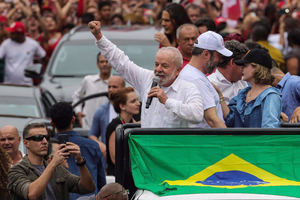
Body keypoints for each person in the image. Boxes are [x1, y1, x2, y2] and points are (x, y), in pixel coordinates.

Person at [89, 20, 204, 128]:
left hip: (172, 147)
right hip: (147, 147)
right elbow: (122, 62)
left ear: (178, 70)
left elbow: (197, 115)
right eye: (156, 64)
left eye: (164, 66)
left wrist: (167, 101)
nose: (158, 69)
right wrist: (99, 37)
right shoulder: (148, 78)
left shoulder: (188, 88)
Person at [8, 122, 95, 200]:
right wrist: (53, 163)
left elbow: (88, 188)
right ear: (26, 143)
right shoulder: (16, 170)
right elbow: (31, 194)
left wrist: (80, 161)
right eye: (39, 138)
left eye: (46, 137)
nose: (45, 141)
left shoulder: (57, 170)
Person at [50, 102, 106, 200]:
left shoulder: (46, 148)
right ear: (73, 119)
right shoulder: (92, 146)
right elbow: (101, 182)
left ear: (52, 123)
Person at [179, 31, 232, 128]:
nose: (220, 60)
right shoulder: (195, 78)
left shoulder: (193, 74)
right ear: (206, 54)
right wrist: (229, 141)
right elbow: (212, 120)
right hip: (208, 141)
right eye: (219, 56)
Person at [218, 48, 282, 128]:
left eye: (245, 66)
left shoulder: (271, 96)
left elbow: (269, 129)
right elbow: (231, 120)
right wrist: (219, 96)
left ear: (256, 68)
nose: (241, 68)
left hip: (257, 141)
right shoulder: (243, 93)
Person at [89, 76, 125, 159]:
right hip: (107, 161)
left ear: (123, 88)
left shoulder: (130, 108)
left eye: (114, 87)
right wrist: (103, 147)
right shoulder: (101, 111)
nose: (111, 90)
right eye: (109, 87)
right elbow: (92, 135)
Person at [106, 87, 140, 175]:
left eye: (137, 100)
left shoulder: (137, 123)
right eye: (133, 101)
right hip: (119, 177)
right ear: (122, 106)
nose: (138, 103)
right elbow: (115, 160)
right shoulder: (115, 126)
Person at [72, 52, 111, 128]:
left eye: (107, 61)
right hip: (88, 126)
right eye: (102, 62)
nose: (105, 64)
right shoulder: (88, 80)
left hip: (108, 128)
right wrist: (78, 112)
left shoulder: (116, 83)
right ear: (97, 64)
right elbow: (76, 96)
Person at [208, 40, 249, 104]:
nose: (246, 68)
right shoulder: (210, 85)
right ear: (232, 62)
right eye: (243, 64)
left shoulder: (244, 82)